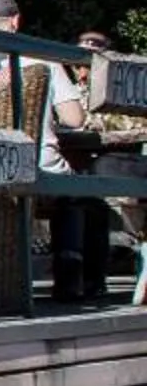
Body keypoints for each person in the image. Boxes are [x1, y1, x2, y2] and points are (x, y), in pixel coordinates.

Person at [43, 31, 113, 305]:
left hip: (92, 157)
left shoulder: (109, 87)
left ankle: (82, 280)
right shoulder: (59, 78)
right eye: (83, 51)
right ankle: (83, 282)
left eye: (96, 48)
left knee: (84, 194)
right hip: (52, 166)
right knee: (83, 198)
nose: (86, 58)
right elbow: (74, 119)